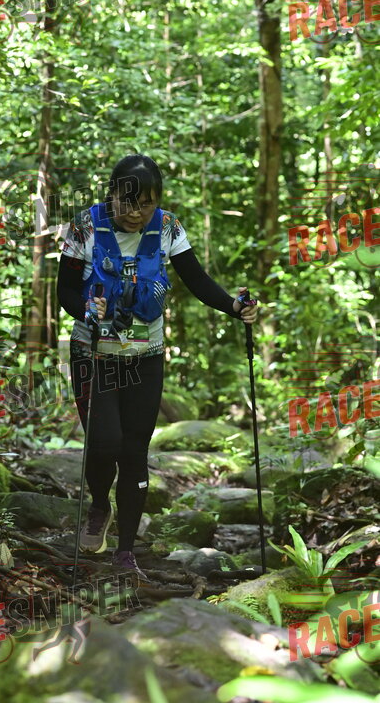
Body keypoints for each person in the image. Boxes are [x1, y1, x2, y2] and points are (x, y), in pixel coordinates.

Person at [56, 154, 258, 580]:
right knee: (104, 444)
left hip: (145, 358)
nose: (136, 213)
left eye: (146, 204)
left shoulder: (167, 227)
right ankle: (99, 506)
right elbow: (66, 290)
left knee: (134, 450)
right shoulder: (85, 226)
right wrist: (87, 311)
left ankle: (125, 552)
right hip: (93, 355)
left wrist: (234, 306)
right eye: (127, 203)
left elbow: (196, 280)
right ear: (111, 195)